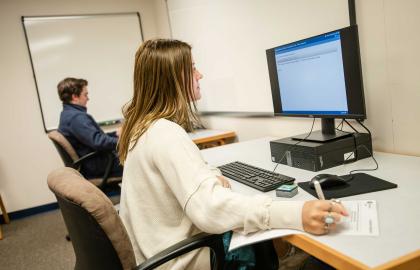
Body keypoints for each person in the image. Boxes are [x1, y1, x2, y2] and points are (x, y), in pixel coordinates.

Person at [118, 39, 348, 270]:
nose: (200, 75)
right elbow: (210, 209)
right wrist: (297, 213)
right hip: (181, 260)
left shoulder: (143, 128)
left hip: (154, 252)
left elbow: (196, 171)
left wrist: (209, 176)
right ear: (173, 77)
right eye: (192, 68)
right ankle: (288, 256)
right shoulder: (166, 134)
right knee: (271, 237)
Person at [57, 77, 123, 179]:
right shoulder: (76, 118)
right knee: (136, 160)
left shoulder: (68, 114)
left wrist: (115, 134)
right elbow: (98, 142)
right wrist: (124, 141)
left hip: (94, 163)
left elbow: (94, 138)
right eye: (85, 94)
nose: (88, 98)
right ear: (75, 96)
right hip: (98, 166)